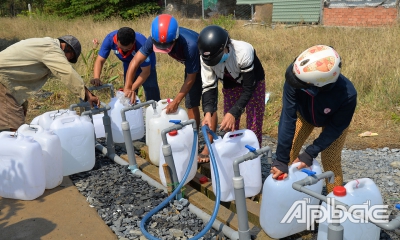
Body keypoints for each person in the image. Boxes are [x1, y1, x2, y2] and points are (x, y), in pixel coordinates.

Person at [270, 45, 357, 193]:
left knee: (331, 160)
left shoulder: (347, 95)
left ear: (318, 85)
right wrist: (281, 160)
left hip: (332, 123)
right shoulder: (296, 76)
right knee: (290, 152)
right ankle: (290, 193)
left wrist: (310, 153)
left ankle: (334, 205)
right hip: (304, 116)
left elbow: (335, 128)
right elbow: (288, 117)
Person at [123, 14, 204, 155]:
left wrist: (177, 101)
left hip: (205, 63)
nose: (163, 48)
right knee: (190, 100)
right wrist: (128, 87)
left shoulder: (190, 45)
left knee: (193, 102)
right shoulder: (153, 39)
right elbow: (135, 61)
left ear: (175, 38)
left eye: (167, 45)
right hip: (189, 64)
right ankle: (192, 139)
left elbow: (191, 78)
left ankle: (195, 142)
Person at [0, 35, 100, 131]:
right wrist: (88, 95)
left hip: (8, 79)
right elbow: (68, 73)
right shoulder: (51, 48)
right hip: (3, 79)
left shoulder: (47, 45)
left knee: (20, 110)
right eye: (70, 57)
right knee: (17, 126)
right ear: (66, 47)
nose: (68, 60)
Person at [197, 25, 266, 162]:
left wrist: (235, 112)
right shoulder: (205, 58)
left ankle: (253, 158)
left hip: (252, 82)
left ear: (225, 47)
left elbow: (248, 88)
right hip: (230, 82)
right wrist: (208, 113)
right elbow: (209, 86)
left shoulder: (243, 51)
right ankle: (234, 156)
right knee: (229, 125)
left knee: (254, 121)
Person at [91, 27, 161, 102]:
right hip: (128, 65)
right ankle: (132, 110)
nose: (124, 50)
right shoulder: (109, 39)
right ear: (117, 41)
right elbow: (100, 60)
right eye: (121, 48)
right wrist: (96, 77)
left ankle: (154, 109)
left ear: (133, 42)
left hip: (146, 67)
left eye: (128, 49)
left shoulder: (142, 43)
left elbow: (146, 72)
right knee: (129, 97)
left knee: (151, 90)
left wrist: (130, 89)